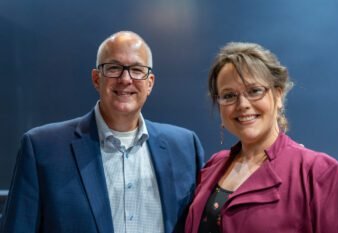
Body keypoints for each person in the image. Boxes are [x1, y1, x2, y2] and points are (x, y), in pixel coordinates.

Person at [0, 31, 204, 233]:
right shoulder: (42, 149)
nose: (125, 79)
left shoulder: (185, 147)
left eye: (136, 69)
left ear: (149, 83)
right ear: (96, 79)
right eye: (114, 68)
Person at [185, 42, 338, 233]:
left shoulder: (320, 173)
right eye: (229, 95)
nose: (242, 104)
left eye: (254, 91)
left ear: (278, 95)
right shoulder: (213, 166)